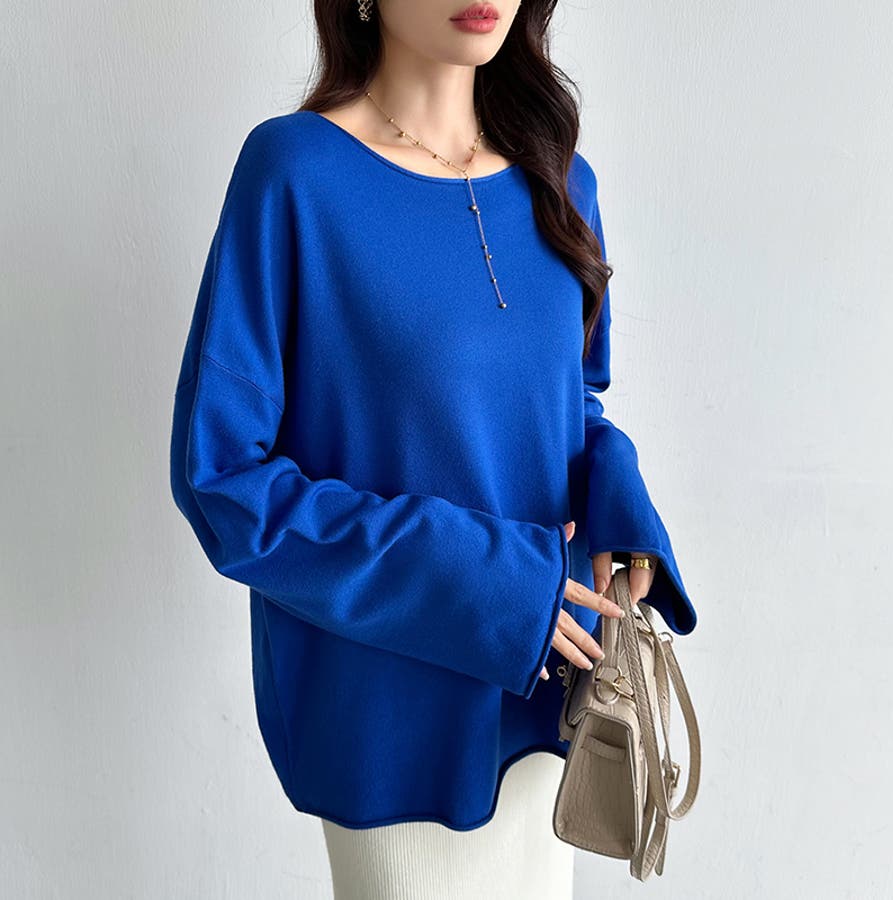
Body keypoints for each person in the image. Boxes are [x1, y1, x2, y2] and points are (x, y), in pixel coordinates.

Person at [168, 0, 697, 896]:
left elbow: (567, 404)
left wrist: (623, 508)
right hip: (391, 721)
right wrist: (492, 583)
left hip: (555, 697)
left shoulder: (563, 180)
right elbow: (223, 481)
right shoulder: (295, 175)